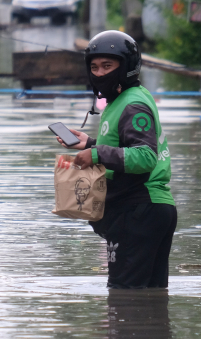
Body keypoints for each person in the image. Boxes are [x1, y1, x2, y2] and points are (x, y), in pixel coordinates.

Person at [56, 31, 177, 289]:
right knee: (152, 298)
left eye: (108, 66)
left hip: (139, 210)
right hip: (149, 210)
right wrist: (89, 144)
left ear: (127, 67)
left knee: (124, 299)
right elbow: (125, 149)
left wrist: (96, 154)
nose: (100, 73)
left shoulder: (133, 104)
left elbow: (145, 157)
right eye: (94, 67)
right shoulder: (123, 100)